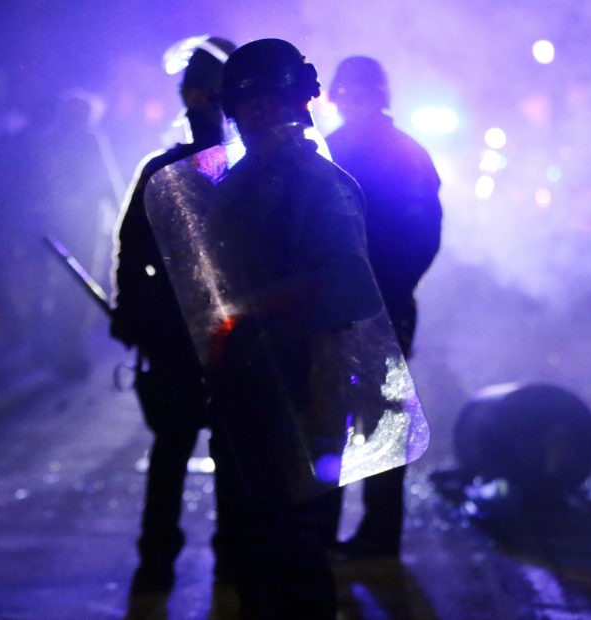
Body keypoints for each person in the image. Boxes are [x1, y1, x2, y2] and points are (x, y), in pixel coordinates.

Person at [143, 38, 386, 619]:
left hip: (307, 388)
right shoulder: (233, 181)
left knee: (296, 555)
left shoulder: (322, 185)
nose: (257, 117)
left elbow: (349, 287)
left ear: (297, 102)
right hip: (245, 391)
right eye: (246, 106)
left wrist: (260, 312)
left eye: (269, 103)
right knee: (253, 552)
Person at [108, 35, 237, 619]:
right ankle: (163, 558)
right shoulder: (168, 170)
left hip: (233, 339)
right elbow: (133, 250)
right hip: (182, 339)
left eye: (206, 93)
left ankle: (202, 558)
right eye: (194, 92)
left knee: (224, 455)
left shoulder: (247, 171)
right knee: (178, 454)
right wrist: (135, 311)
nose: (198, 103)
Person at [320, 55, 443, 560]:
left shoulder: (331, 151)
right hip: (382, 303)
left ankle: (330, 532)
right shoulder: (405, 152)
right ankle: (376, 534)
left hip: (347, 305)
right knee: (377, 420)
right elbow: (426, 236)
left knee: (337, 419)